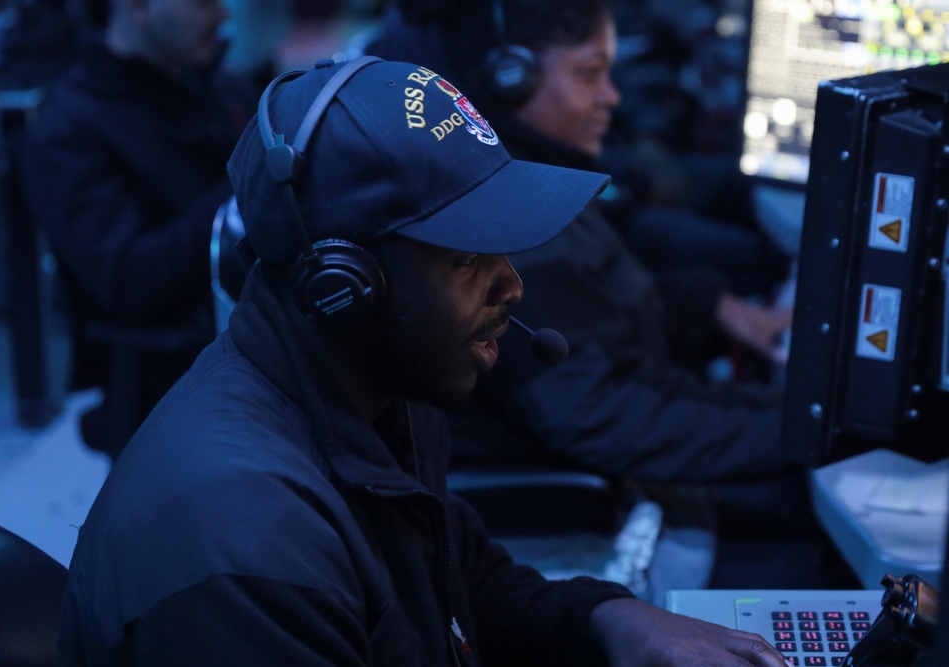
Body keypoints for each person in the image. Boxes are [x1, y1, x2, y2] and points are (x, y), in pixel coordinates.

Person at [55, 56, 789, 666]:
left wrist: (605, 616)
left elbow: (456, 585)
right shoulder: (243, 544)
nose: (513, 283)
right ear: (342, 284)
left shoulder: (377, 395)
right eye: (467, 258)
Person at [363, 0, 855, 589]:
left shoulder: (531, 179)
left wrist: (724, 322)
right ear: (508, 77)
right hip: (590, 505)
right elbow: (608, 416)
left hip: (617, 471)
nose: (612, 96)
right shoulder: (512, 226)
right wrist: (824, 424)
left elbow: (601, 320)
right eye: (589, 73)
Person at [19, 0, 254, 459]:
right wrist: (246, 179)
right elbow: (129, 280)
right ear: (138, 7)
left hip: (251, 334)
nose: (223, 16)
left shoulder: (212, 85)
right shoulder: (69, 131)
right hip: (177, 379)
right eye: (203, 4)